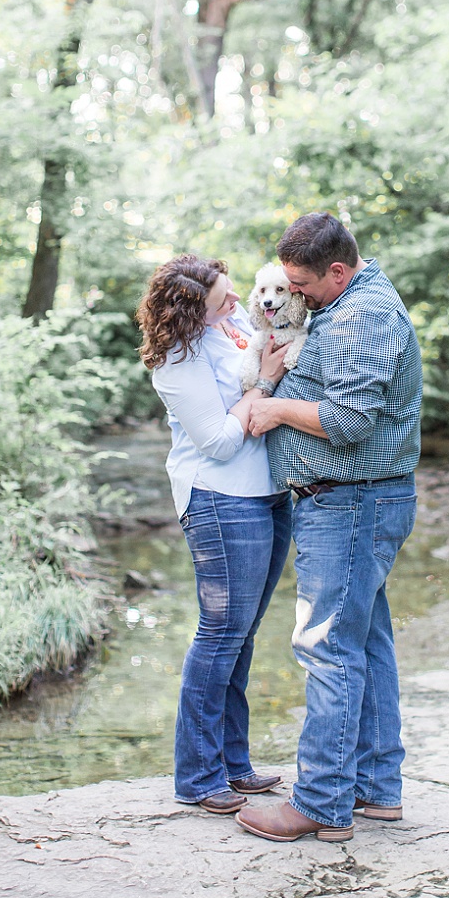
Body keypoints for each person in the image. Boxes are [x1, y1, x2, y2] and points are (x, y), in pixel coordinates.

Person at [232, 212, 422, 844]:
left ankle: (320, 803)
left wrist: (272, 406)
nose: (294, 294)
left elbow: (352, 421)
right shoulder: (345, 307)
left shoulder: (362, 316)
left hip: (350, 502)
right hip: (354, 501)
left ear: (337, 271)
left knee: (325, 647)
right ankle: (374, 790)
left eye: (302, 283)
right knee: (364, 643)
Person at [137, 255, 290, 816]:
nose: (236, 303)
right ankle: (198, 776)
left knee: (243, 634)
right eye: (221, 298)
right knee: (221, 633)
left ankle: (234, 764)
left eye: (232, 292)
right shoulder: (176, 363)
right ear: (187, 311)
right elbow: (221, 442)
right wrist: (266, 386)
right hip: (221, 500)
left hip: (267, 493)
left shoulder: (233, 324)